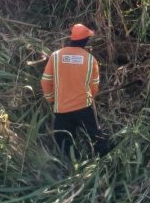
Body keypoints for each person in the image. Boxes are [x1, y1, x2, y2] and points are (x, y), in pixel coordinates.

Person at [41, 24, 109, 157]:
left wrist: (51, 99)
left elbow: (45, 81)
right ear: (85, 41)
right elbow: (94, 86)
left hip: (62, 109)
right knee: (96, 136)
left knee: (64, 141)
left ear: (72, 38)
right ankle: (102, 163)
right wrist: (91, 97)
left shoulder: (56, 56)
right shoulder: (90, 60)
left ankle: (74, 165)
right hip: (85, 107)